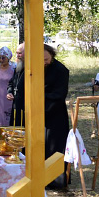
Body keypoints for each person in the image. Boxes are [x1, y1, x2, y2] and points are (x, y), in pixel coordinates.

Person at [43, 44, 70, 189]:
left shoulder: (61, 70)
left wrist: (41, 96)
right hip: (40, 115)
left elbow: (59, 94)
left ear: (52, 55)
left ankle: (57, 181)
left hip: (55, 114)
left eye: (46, 59)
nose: (44, 62)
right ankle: (44, 178)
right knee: (43, 148)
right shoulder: (37, 68)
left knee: (56, 148)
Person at [0, 47, 15, 127]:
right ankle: (1, 139)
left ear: (8, 58)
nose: (1, 59)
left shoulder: (14, 68)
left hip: (10, 98)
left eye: (3, 57)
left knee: (10, 121)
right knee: (0, 123)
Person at [7, 43, 25, 127]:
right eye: (17, 53)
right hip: (16, 106)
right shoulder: (18, 67)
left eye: (20, 53)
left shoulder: (32, 69)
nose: (17, 55)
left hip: (26, 107)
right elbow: (11, 83)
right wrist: (9, 92)